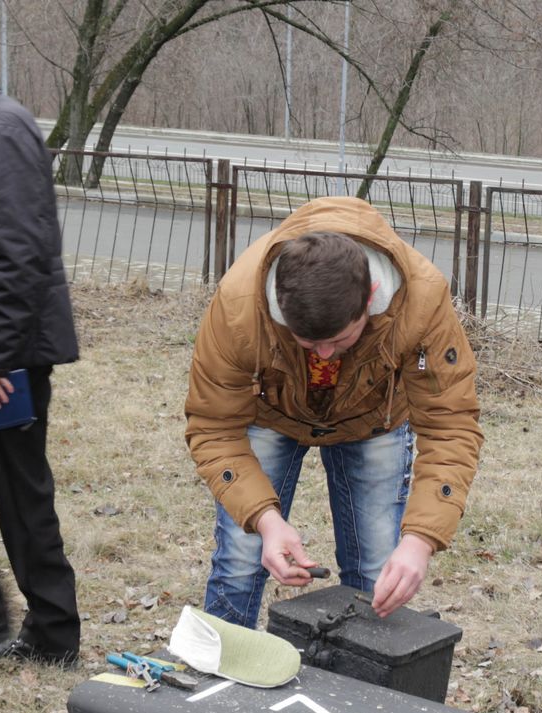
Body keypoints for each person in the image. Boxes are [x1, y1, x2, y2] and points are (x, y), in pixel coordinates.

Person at [185, 196, 482, 628]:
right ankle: (219, 679)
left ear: (372, 298)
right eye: (307, 344)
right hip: (271, 414)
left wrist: (421, 539)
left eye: (340, 339)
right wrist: (266, 522)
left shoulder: (421, 299)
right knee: (240, 563)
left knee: (377, 576)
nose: (324, 354)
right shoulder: (238, 306)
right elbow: (213, 425)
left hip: (373, 418)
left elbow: (450, 424)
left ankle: (366, 690)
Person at [0, 43, 82, 666]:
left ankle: (46, 632)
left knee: (21, 491)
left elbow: (19, 258)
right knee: (22, 488)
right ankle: (8, 622)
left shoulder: (2, 129)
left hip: (5, 355)